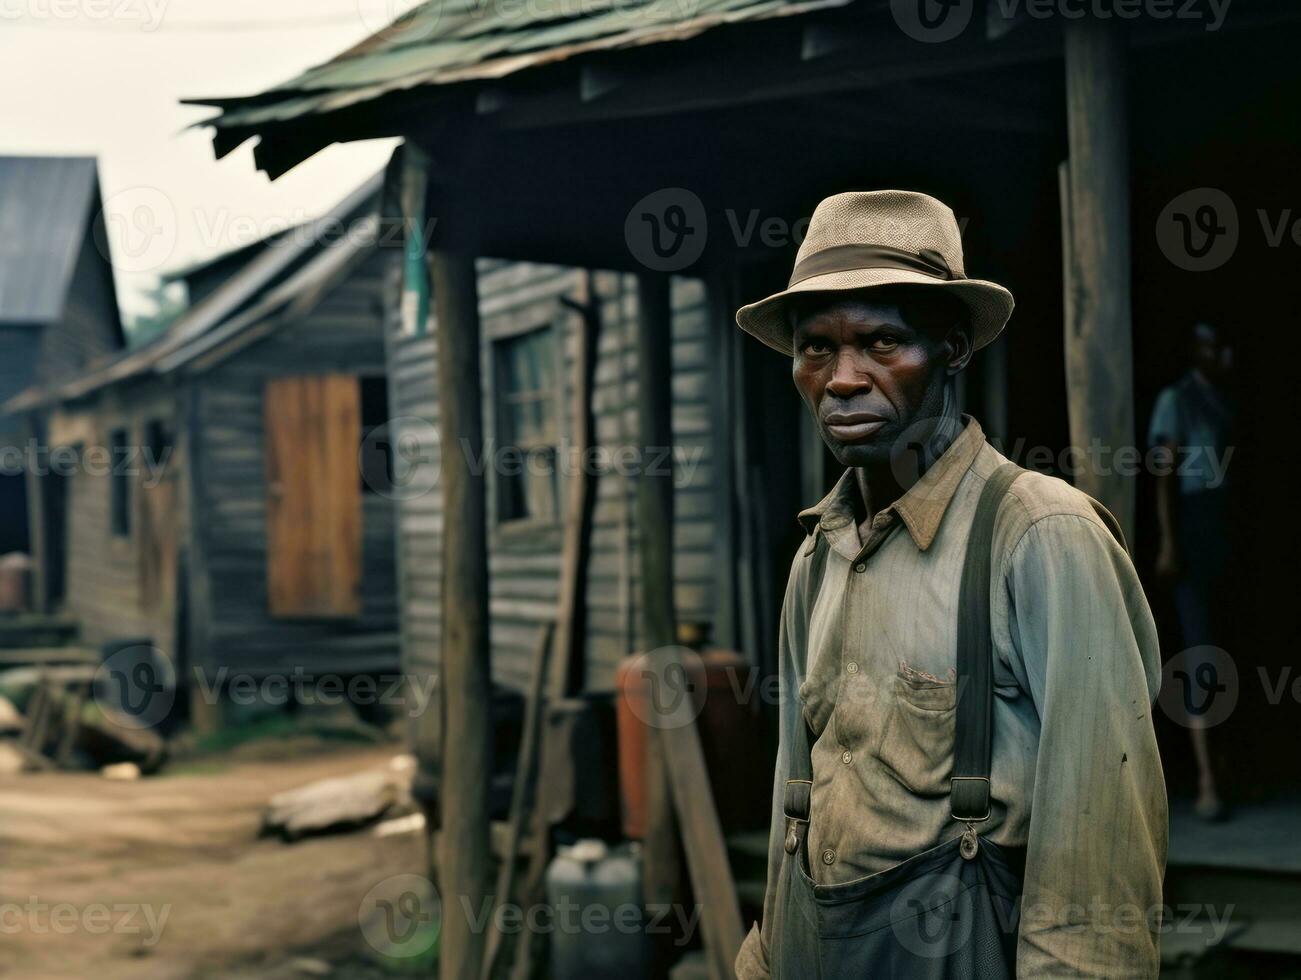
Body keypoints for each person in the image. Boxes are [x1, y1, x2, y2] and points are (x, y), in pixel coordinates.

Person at [732, 190, 1167, 978]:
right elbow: (793, 800)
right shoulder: (815, 554)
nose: (841, 380)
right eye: (815, 349)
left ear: (953, 350)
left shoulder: (1038, 535)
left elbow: (1101, 842)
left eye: (882, 342)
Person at [1149, 321, 1235, 821]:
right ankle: (1205, 778)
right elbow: (1162, 473)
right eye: (1214, 345)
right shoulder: (1176, 400)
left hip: (1224, 528)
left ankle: (1222, 766)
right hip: (1191, 526)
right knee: (1200, 651)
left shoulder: (1227, 400)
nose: (1223, 354)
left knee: (1226, 645)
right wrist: (1168, 541)